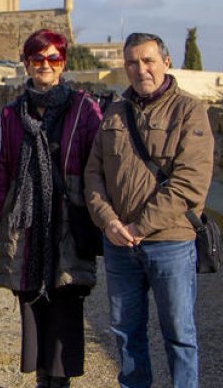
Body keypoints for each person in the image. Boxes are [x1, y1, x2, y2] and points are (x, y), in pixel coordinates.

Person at [84, 32, 214, 388]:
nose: (141, 69)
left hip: (169, 242)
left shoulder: (190, 111)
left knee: (179, 334)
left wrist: (139, 227)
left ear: (166, 62)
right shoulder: (114, 112)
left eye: (148, 60)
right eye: (132, 62)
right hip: (120, 245)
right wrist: (108, 221)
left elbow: (189, 183)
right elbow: (93, 175)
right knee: (126, 333)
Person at [0, 30, 103, 388]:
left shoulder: (83, 108)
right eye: (38, 59)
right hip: (27, 218)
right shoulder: (11, 113)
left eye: (53, 59)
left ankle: (61, 378)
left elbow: (95, 160)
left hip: (68, 215)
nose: (45, 66)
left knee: (66, 297)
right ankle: (42, 376)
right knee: (33, 297)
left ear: (63, 63)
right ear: (26, 64)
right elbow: (3, 164)